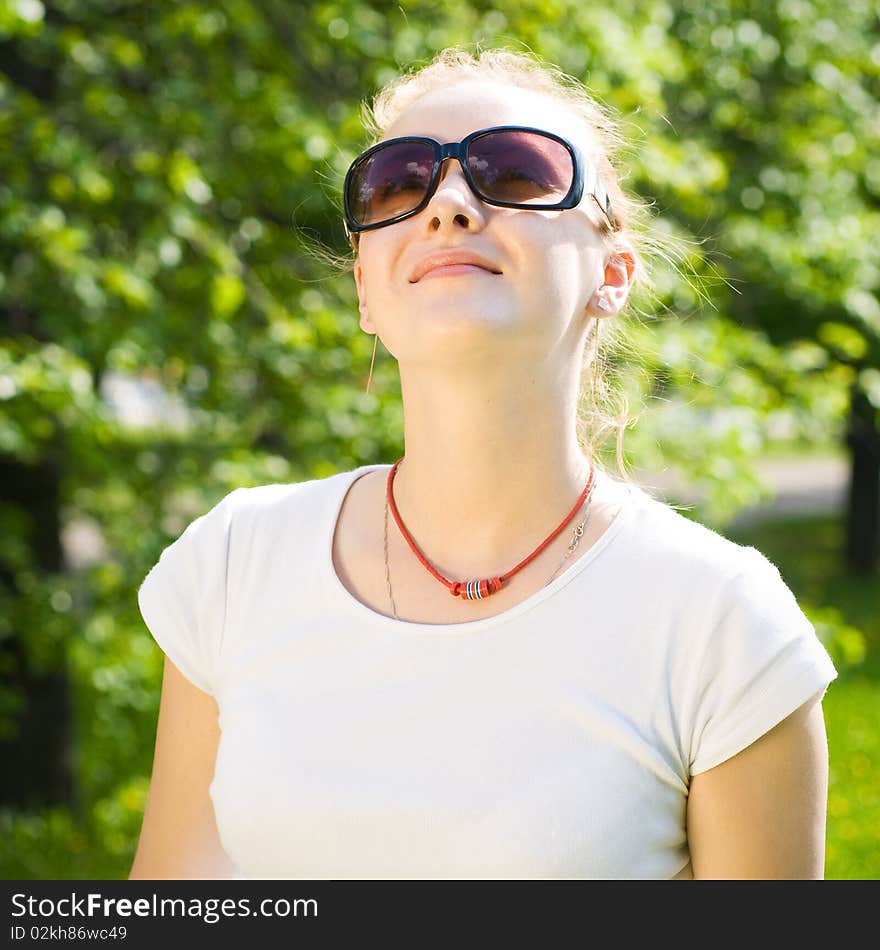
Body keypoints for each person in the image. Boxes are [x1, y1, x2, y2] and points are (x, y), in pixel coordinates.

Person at [129, 48, 837, 880]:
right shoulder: (233, 566)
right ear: (365, 290)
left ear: (611, 274)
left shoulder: (721, 626)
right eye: (397, 182)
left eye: (517, 172)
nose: (450, 205)